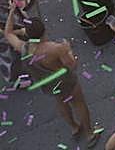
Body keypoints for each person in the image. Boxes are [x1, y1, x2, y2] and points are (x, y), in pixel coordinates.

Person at [4, 10, 97, 145]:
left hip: (48, 85)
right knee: (79, 103)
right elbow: (72, 66)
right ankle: (89, 134)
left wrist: (11, 11)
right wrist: (69, 50)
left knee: (61, 102)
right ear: (44, 30)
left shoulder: (23, 48)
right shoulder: (56, 49)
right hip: (66, 82)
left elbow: (8, 33)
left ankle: (74, 127)